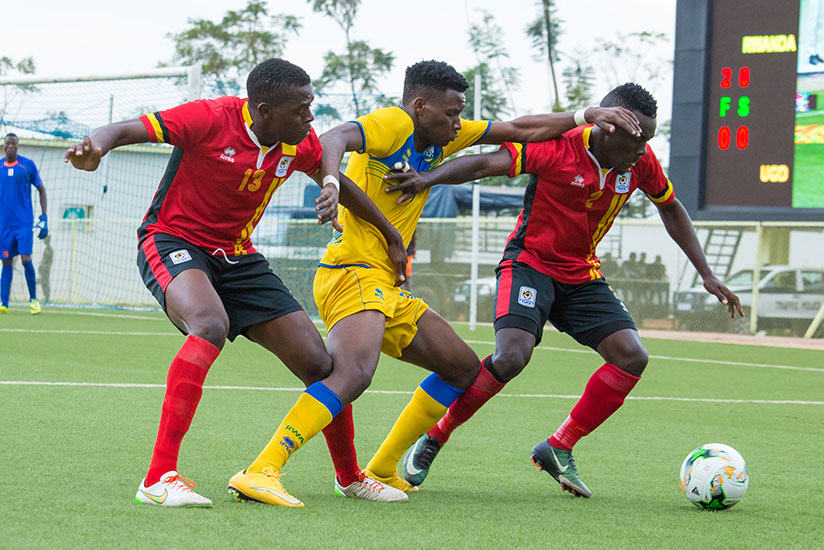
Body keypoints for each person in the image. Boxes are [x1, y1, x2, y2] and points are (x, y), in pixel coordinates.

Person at [224, 59, 644, 505]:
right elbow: (334, 138)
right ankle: (262, 469)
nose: (458, 122)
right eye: (452, 113)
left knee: (462, 367)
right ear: (421, 106)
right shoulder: (394, 124)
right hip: (352, 272)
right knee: (354, 373)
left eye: (460, 113)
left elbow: (521, 129)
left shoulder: (444, 135)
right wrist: (330, 181)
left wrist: (585, 116)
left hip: (385, 284)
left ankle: (381, 469)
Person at [65, 58, 407, 508]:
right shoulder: (209, 118)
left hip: (238, 255)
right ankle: (158, 478)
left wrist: (389, 233)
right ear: (264, 110)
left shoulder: (297, 143)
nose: (310, 118)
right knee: (209, 324)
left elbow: (341, 180)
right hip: (172, 240)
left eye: (311, 106)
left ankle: (350, 477)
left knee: (321, 366)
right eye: (300, 109)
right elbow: (125, 129)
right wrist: (96, 147)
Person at [388, 82, 744, 498]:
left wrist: (706, 273)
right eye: (637, 139)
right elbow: (485, 163)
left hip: (580, 275)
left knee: (632, 357)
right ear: (609, 129)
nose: (643, 150)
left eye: (648, 140)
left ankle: (559, 445)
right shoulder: (558, 146)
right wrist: (426, 179)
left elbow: (670, 207)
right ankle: (435, 436)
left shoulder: (640, 163)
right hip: (529, 265)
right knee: (511, 357)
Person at [1, 133, 48, 315]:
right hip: (4, 224)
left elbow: (41, 190)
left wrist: (44, 217)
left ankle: (33, 300)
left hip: (23, 223)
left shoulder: (27, 165)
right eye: (8, 144)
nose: (11, 147)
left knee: (25, 258)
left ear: (17, 146)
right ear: (4, 146)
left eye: (14, 144)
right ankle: (4, 303)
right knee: (6, 261)